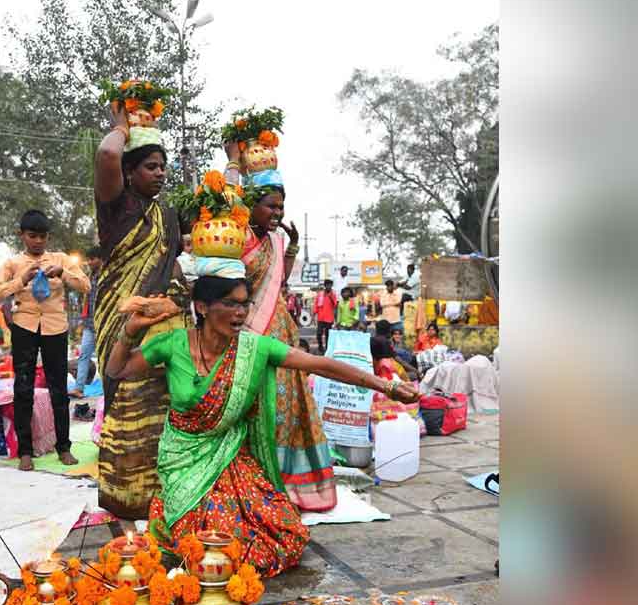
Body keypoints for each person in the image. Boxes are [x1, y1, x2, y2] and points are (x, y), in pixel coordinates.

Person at [104, 274, 419, 577]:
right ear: (202, 307)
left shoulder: (255, 349)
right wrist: (131, 331)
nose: (241, 312)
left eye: (245, 304)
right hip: (181, 456)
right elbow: (117, 370)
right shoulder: (173, 344)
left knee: (281, 532)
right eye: (230, 303)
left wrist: (387, 386)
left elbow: (322, 365)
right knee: (206, 542)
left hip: (229, 454)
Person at [91, 98, 187, 518]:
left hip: (164, 323)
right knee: (125, 399)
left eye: (163, 166)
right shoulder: (116, 205)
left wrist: (176, 300)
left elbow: (175, 263)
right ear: (129, 172)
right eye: (151, 166)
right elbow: (108, 153)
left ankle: (160, 493)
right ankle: (125, 496)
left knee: (161, 407)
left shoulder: (167, 214)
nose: (161, 173)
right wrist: (122, 124)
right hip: (120, 317)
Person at [228, 156, 339, 512]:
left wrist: (290, 246)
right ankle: (249, 478)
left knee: (285, 409)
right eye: (270, 206)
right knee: (250, 407)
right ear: (251, 205)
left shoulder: (275, 240)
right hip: (243, 329)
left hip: (279, 329)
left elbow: (280, 280)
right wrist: (233, 160)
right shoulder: (237, 237)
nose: (277, 213)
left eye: (281, 206)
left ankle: (283, 478)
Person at [0, 210, 90, 471]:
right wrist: (20, 280)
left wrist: (63, 273)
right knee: (23, 389)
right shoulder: (12, 263)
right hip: (24, 326)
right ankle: (25, 451)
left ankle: (64, 447)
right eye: (32, 236)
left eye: (42, 236)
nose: (37, 241)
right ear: (22, 235)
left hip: (56, 327)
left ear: (48, 237)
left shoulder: (61, 259)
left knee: (58, 389)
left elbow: (85, 285)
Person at [69, 245, 103, 397]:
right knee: (84, 355)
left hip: (104, 323)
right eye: (88, 259)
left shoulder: (107, 276)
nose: (89, 262)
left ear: (101, 259)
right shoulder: (89, 276)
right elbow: (86, 299)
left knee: (105, 357)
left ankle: (109, 389)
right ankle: (79, 388)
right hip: (90, 324)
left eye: (92, 259)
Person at [313, 279, 337, 353]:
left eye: (330, 285)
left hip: (329, 318)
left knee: (328, 335)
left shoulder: (333, 294)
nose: (328, 286)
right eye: (327, 285)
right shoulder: (320, 294)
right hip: (321, 318)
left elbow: (335, 304)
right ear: (325, 285)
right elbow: (316, 304)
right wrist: (314, 313)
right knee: (319, 334)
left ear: (331, 286)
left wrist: (330, 296)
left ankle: (327, 348)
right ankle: (320, 346)